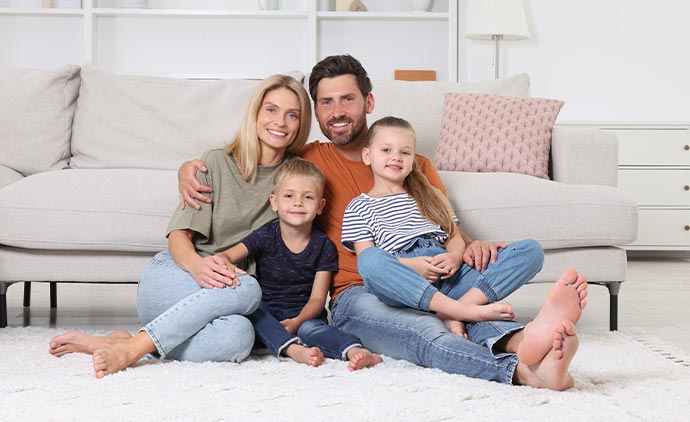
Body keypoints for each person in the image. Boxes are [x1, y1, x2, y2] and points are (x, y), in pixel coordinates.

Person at [178, 55, 588, 390]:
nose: (337, 112)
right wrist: (192, 167)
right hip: (360, 292)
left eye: (347, 100)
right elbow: (258, 153)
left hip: (439, 278)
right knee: (427, 334)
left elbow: (443, 226)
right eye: (326, 102)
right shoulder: (307, 161)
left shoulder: (415, 163)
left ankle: (525, 345)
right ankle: (521, 371)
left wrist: (465, 246)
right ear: (316, 111)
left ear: (369, 103)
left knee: (471, 301)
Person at [49, 74, 313, 378]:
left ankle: (129, 341)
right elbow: (179, 237)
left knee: (238, 338)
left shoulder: (296, 179)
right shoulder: (215, 162)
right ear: (254, 113)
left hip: (231, 297)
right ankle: (133, 351)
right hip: (177, 278)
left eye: (292, 115)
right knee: (249, 290)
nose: (280, 121)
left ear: (300, 124)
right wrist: (198, 267)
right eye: (271, 110)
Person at [341, 116, 518, 336]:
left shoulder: (429, 195)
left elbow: (453, 236)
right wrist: (412, 265)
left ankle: (452, 312)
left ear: (412, 159)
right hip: (407, 280)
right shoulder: (359, 206)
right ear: (367, 156)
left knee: (528, 251)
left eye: (404, 153)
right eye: (386, 150)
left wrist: (454, 256)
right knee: (369, 261)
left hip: (449, 274)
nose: (396, 157)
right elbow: (366, 256)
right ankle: (461, 310)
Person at [224, 158, 382, 370]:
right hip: (268, 312)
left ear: (320, 206)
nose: (298, 202)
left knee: (316, 331)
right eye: (289, 196)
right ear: (274, 202)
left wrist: (297, 321)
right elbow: (225, 257)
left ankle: (355, 350)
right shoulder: (265, 235)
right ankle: (292, 349)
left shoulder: (323, 245)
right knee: (253, 312)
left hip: (306, 313)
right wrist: (234, 272)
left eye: (308, 197)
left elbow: (318, 299)